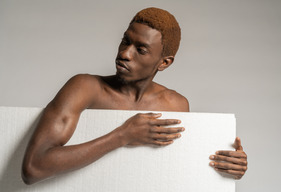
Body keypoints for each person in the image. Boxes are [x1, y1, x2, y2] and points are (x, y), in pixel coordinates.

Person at [22, 7, 247, 185]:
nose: (124, 54)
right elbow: (34, 167)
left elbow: (177, 171)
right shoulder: (85, 88)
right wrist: (122, 135)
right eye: (125, 41)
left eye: (141, 49)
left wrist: (228, 167)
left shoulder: (175, 105)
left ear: (164, 62)